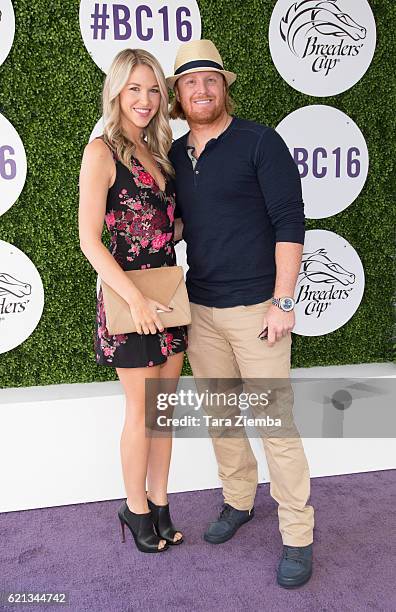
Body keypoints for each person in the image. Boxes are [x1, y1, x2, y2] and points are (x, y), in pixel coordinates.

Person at [166, 40, 314, 587]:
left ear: (224, 85)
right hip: (201, 309)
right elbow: (187, 223)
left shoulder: (260, 141)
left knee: (276, 425)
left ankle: (298, 534)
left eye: (210, 79)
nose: (201, 89)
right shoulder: (178, 155)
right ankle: (238, 500)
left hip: (258, 312)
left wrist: (283, 302)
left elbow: (289, 222)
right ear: (178, 95)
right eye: (189, 82)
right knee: (223, 419)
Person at [79, 48, 187, 553]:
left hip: (168, 294)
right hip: (130, 301)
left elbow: (165, 225)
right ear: (117, 91)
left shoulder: (160, 151)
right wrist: (135, 300)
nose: (144, 100)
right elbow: (89, 241)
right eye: (134, 89)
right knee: (141, 409)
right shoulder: (101, 151)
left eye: (152, 90)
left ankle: (161, 503)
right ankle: (135, 506)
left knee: (162, 411)